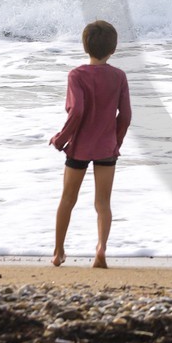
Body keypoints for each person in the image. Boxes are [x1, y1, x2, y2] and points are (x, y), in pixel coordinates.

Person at [49, 20, 132, 269]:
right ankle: (101, 248)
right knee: (103, 203)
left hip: (79, 148)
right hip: (107, 148)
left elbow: (77, 111)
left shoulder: (76, 75)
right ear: (113, 49)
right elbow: (126, 116)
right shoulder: (119, 76)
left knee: (67, 199)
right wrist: (115, 142)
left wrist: (61, 139)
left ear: (85, 47)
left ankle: (58, 252)